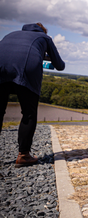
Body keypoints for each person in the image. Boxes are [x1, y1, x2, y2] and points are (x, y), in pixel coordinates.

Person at [0, 23, 65, 167]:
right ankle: (23, 155)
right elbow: (60, 65)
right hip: (26, 68)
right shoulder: (44, 37)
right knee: (29, 113)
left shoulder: (11, 34)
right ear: (43, 31)